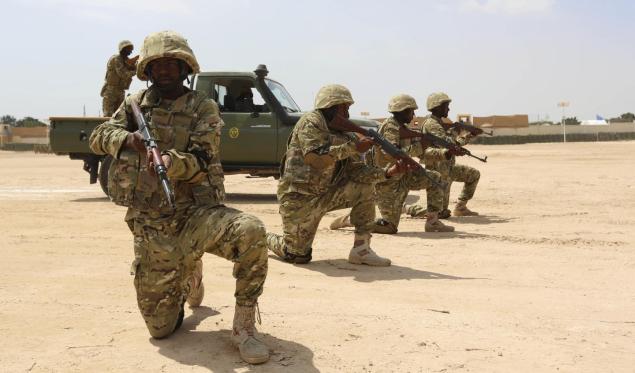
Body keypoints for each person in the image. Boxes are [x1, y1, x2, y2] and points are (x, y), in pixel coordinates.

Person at [89, 31, 270, 364]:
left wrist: (173, 161)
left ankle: (244, 328)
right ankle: (191, 276)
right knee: (160, 330)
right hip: (152, 224)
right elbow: (99, 136)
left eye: (173, 63)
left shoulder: (203, 106)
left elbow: (204, 158)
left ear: (185, 67)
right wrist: (129, 140)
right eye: (158, 64)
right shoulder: (135, 104)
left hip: (196, 214)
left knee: (251, 230)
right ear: (148, 70)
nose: (165, 70)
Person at [266, 84, 410, 266]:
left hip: (327, 193)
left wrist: (389, 172)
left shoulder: (346, 134)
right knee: (297, 255)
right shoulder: (311, 122)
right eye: (345, 108)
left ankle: (361, 249)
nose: (348, 114)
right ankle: (264, 238)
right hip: (299, 198)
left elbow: (357, 171)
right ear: (331, 106)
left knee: (364, 187)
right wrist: (353, 147)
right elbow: (315, 158)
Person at [330, 94, 454, 234]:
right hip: (389, 182)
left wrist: (442, 153)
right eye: (411, 111)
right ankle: (352, 220)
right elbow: (391, 154)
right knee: (389, 227)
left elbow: (420, 154)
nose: (414, 114)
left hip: (405, 175)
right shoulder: (390, 127)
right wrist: (420, 145)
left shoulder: (403, 128)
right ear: (404, 111)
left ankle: (432, 222)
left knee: (435, 178)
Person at [404, 92, 480, 218]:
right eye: (446, 106)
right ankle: (408, 208)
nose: (448, 109)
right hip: (438, 170)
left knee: (473, 175)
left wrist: (468, 135)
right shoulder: (432, 124)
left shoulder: (439, 124)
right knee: (440, 212)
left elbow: (452, 144)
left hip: (448, 168)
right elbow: (449, 144)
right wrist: (459, 131)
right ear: (437, 106)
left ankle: (461, 207)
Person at [100, 40, 138, 116]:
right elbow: (123, 74)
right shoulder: (116, 59)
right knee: (108, 115)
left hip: (120, 90)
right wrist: (135, 71)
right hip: (111, 90)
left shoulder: (125, 61)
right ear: (122, 49)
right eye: (128, 49)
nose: (130, 52)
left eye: (131, 50)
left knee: (119, 116)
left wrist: (136, 64)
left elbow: (131, 67)